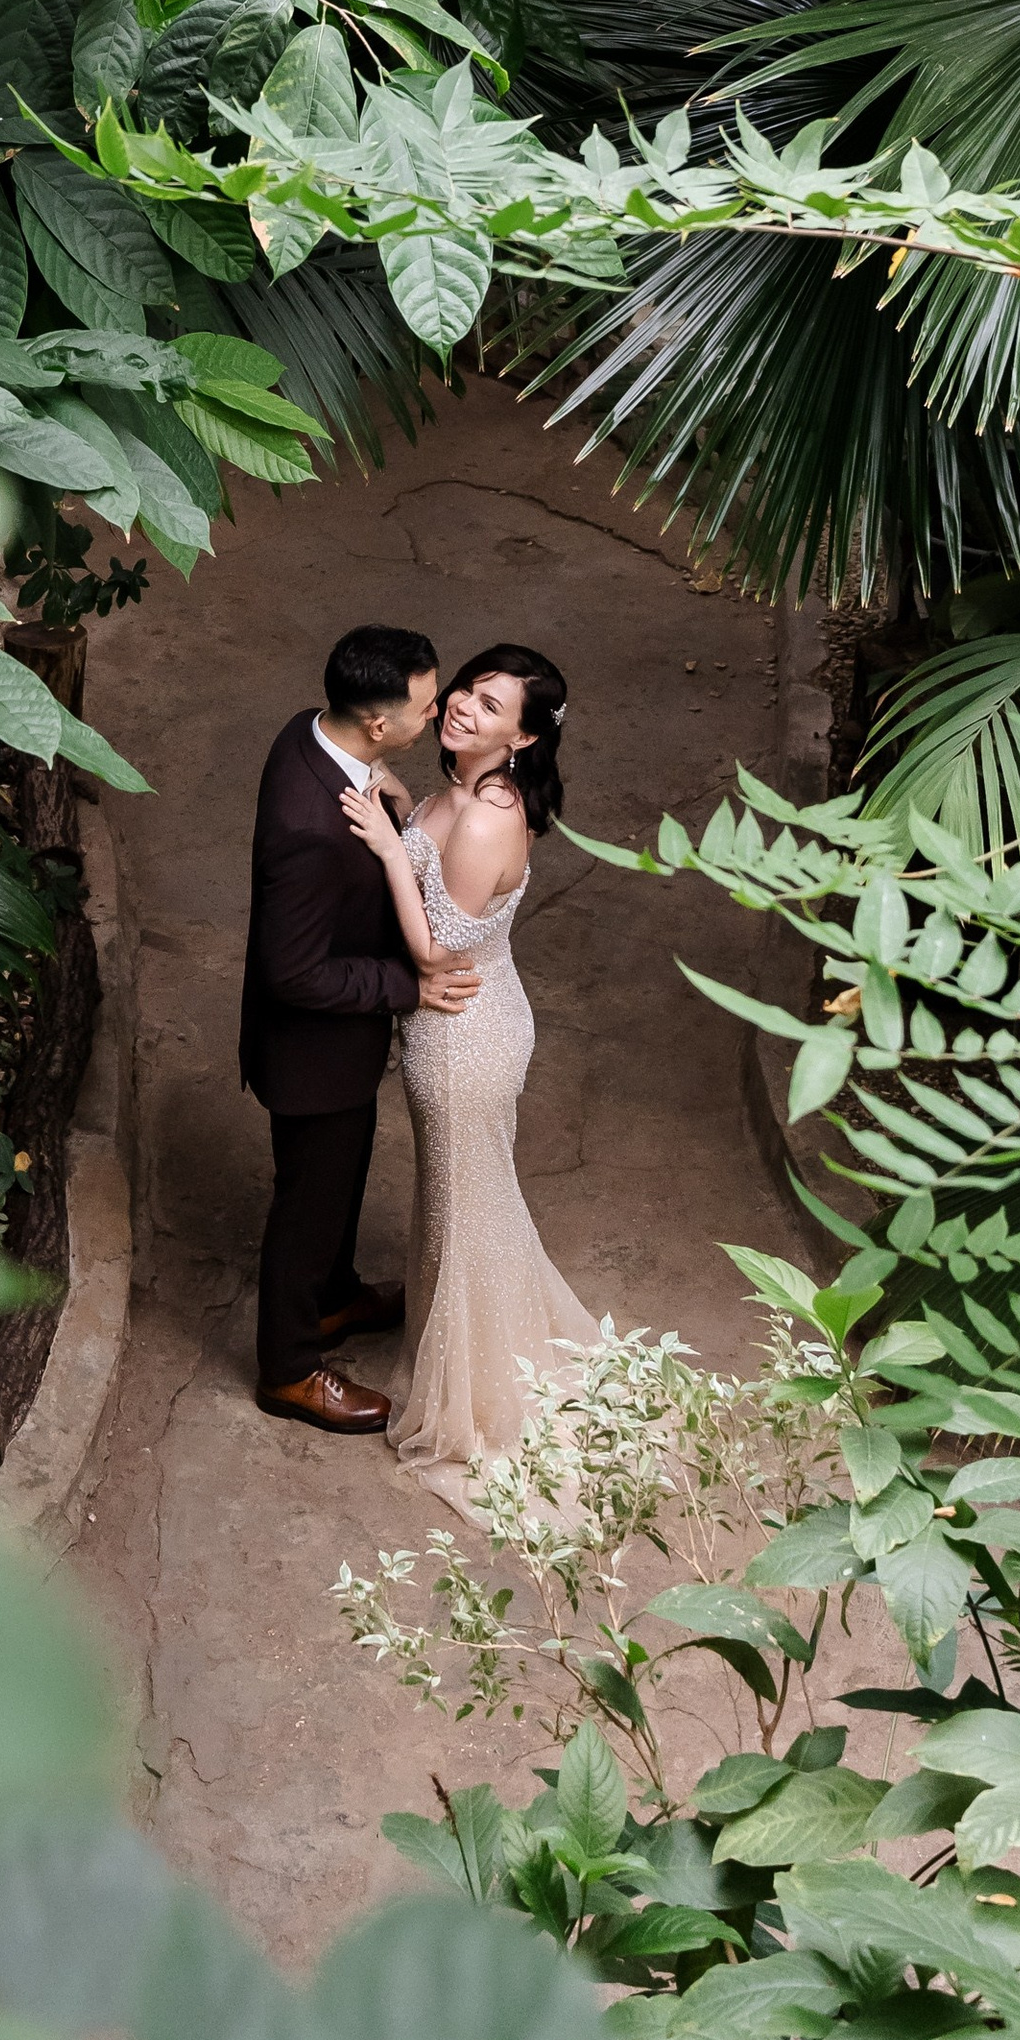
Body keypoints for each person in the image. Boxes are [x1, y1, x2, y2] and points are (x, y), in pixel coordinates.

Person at [338, 640, 597, 1497]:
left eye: (491, 707)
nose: (462, 707)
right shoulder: (466, 794)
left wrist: (385, 845)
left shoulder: (491, 814)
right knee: (463, 1201)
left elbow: (439, 947)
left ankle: (479, 1398)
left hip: (463, 1039)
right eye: (467, 691)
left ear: (521, 742)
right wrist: (411, 812)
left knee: (465, 1207)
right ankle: (463, 1344)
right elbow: (443, 863)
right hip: (470, 1021)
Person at [241, 626, 481, 1434]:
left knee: (340, 1184)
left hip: (337, 1047)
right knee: (307, 1207)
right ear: (377, 724)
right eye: (426, 705)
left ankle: (336, 1299)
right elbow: (294, 973)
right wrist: (408, 986)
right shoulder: (310, 827)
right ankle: (289, 1369)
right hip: (311, 1052)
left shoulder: (313, 733)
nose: (438, 715)